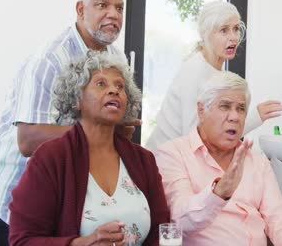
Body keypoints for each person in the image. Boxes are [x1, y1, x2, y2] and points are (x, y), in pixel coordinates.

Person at [0, 0, 137, 244]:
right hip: (14, 203)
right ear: (80, 10)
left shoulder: (117, 59)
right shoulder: (50, 59)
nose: (114, 14)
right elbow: (27, 140)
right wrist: (101, 130)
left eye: (119, 8)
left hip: (71, 203)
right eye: (102, 5)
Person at [155, 71, 282, 246]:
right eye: (225, 106)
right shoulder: (173, 154)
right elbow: (179, 220)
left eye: (241, 109)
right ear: (201, 110)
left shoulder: (256, 161)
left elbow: (279, 220)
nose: (234, 116)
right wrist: (218, 193)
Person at [9, 52, 170, 245]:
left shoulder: (144, 160)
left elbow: (160, 232)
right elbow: (22, 240)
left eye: (120, 86)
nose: (114, 90)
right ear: (77, 99)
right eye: (101, 84)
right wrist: (80, 243)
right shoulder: (51, 158)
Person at [145, 1, 282, 151]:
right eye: (224, 30)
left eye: (236, 29)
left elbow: (215, 133)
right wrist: (254, 117)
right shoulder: (195, 71)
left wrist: (256, 117)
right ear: (206, 34)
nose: (233, 38)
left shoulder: (215, 71)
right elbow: (194, 139)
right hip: (161, 162)